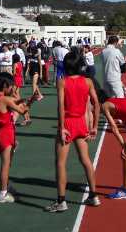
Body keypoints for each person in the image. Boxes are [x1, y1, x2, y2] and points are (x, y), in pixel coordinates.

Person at [45, 51, 101, 212]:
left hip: (68, 124)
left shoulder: (62, 82)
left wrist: (62, 127)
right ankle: (94, 195)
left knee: (61, 163)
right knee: (85, 160)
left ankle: (61, 201)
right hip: (81, 123)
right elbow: (96, 104)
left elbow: (61, 107)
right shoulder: (88, 81)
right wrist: (95, 126)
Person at [0, 73, 38, 204]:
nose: (12, 88)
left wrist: (19, 99)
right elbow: (23, 111)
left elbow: (12, 104)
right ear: (5, 85)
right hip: (6, 133)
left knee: (7, 163)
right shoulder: (4, 99)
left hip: (1, 132)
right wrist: (31, 100)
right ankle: (2, 193)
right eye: (10, 85)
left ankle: (5, 187)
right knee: (6, 165)